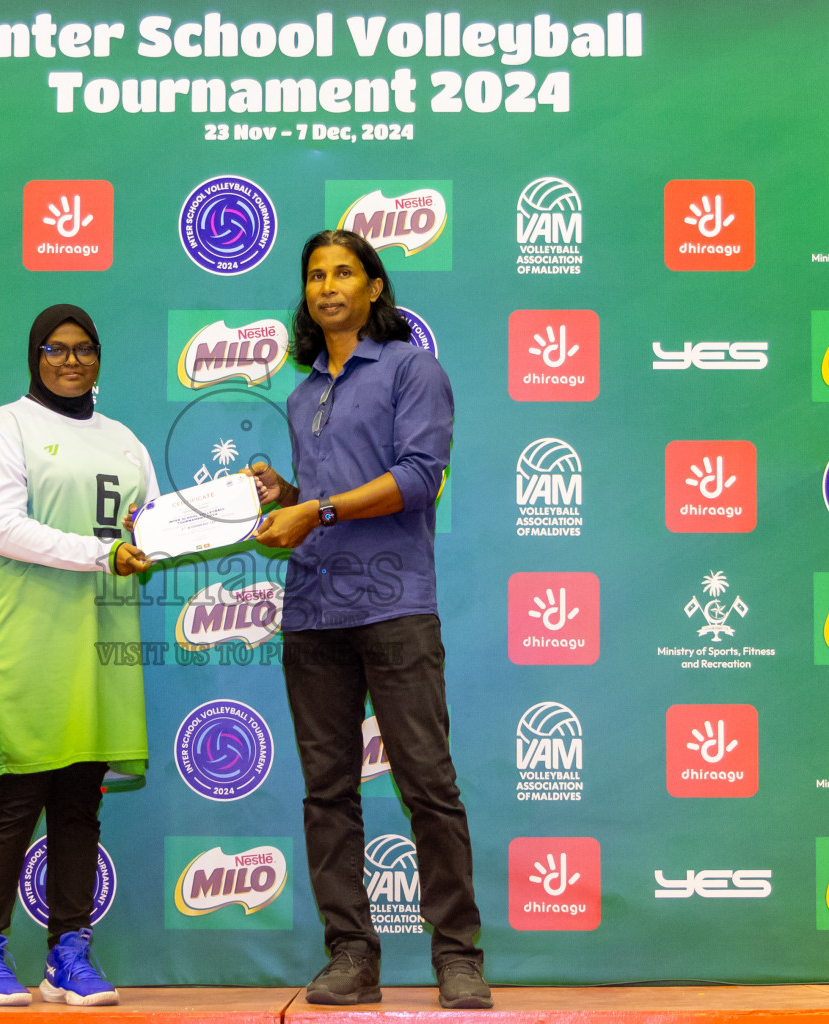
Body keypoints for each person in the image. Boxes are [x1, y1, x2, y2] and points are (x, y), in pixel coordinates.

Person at [248, 230, 492, 1010]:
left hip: (394, 610)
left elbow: (420, 478)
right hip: (313, 613)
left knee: (428, 786)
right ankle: (351, 957)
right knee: (328, 794)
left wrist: (312, 509)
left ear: (375, 287)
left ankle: (458, 957)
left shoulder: (412, 370)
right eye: (315, 274)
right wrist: (284, 498)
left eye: (344, 272)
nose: (327, 286)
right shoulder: (300, 392)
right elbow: (328, 502)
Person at [0, 304, 155, 1007]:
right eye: (55, 349)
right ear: (34, 356)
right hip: (27, 640)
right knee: (17, 797)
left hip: (101, 644)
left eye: (84, 348)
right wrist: (102, 554)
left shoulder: (124, 440)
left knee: (77, 805)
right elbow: (1, 526)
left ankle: (70, 950)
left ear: (100, 356)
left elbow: (152, 528)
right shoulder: (3, 428)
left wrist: (232, 506)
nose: (71, 360)